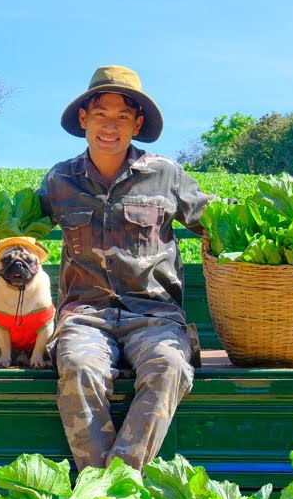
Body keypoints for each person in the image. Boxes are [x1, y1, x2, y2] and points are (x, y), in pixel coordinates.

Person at [37, 65, 216, 471]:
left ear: (137, 123)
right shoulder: (61, 180)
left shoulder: (166, 175)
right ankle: (115, 496)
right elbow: (17, 226)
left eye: (122, 117)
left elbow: (218, 221)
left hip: (155, 317)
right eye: (101, 114)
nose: (110, 126)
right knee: (79, 367)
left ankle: (107, 492)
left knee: (170, 366)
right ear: (84, 119)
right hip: (86, 318)